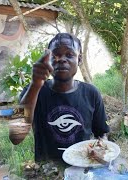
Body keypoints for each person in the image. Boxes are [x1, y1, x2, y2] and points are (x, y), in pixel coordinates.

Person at [11, 33, 110, 162]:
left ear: (79, 59)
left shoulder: (92, 93)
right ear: (48, 59)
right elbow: (15, 137)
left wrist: (101, 147)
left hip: (83, 170)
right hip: (47, 172)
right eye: (55, 55)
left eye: (69, 54)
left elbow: (102, 132)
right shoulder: (31, 92)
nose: (62, 59)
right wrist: (35, 84)